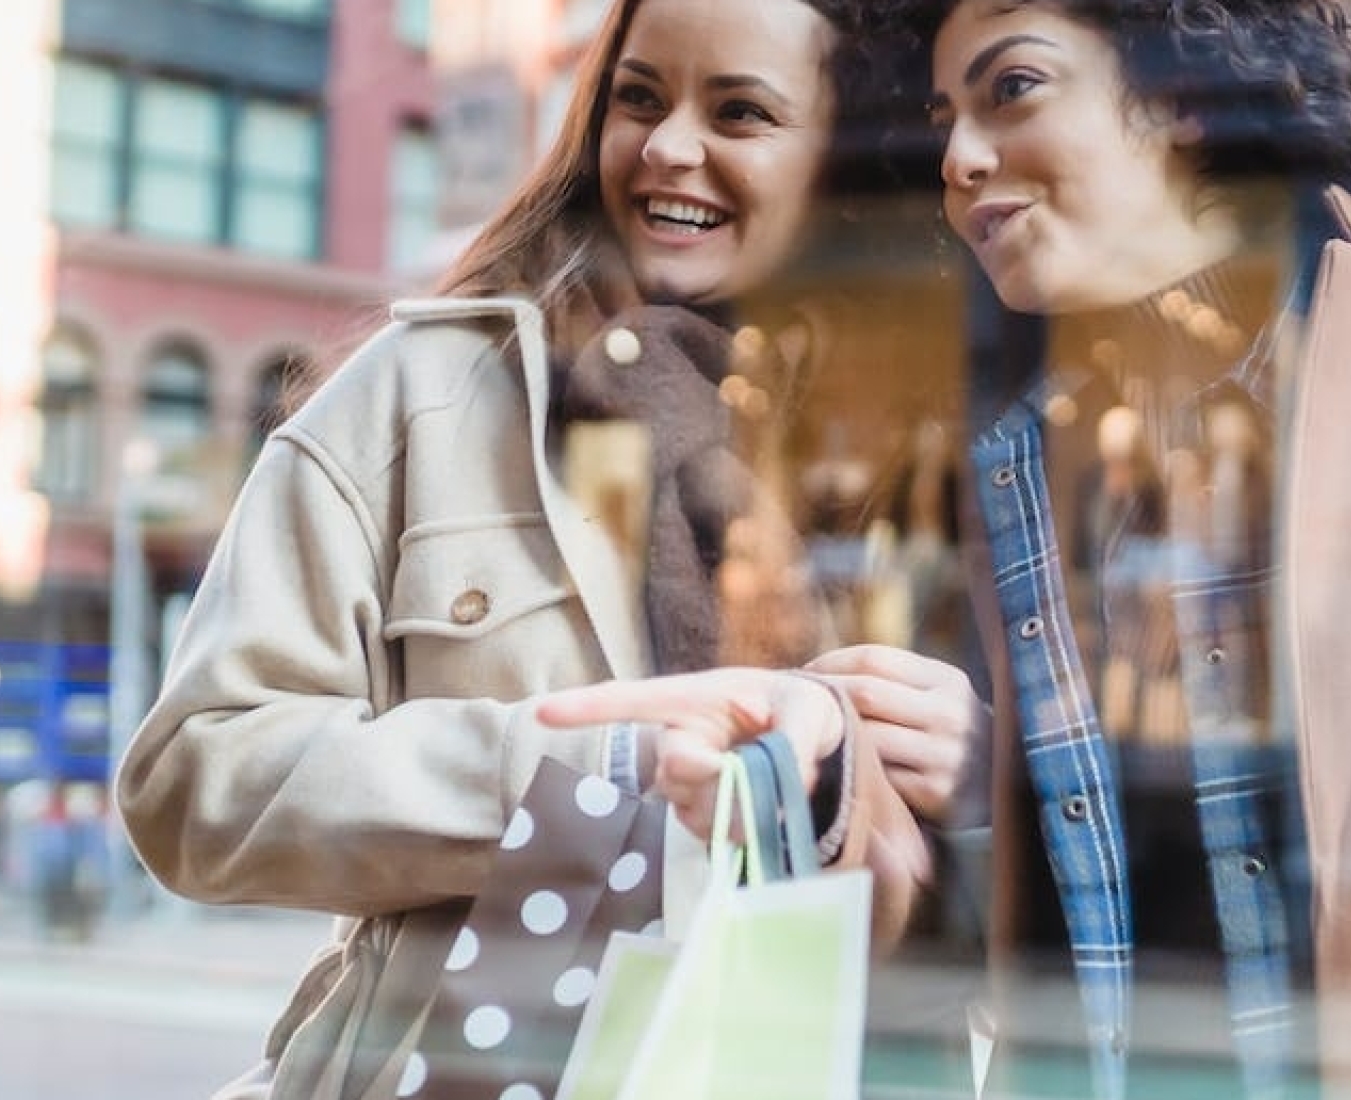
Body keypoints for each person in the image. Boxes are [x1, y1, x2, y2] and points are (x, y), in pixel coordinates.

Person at [821, 0, 1351, 1096]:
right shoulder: (1011, 466)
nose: (959, 156)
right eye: (942, 116)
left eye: (1013, 87)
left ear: (1181, 97)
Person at [115, 0, 974, 1095]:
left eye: (740, 112)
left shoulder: (943, 440)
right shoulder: (421, 393)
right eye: (638, 97)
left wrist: (978, 778)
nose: (667, 147)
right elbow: (192, 781)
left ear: (839, 156)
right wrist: (577, 772)